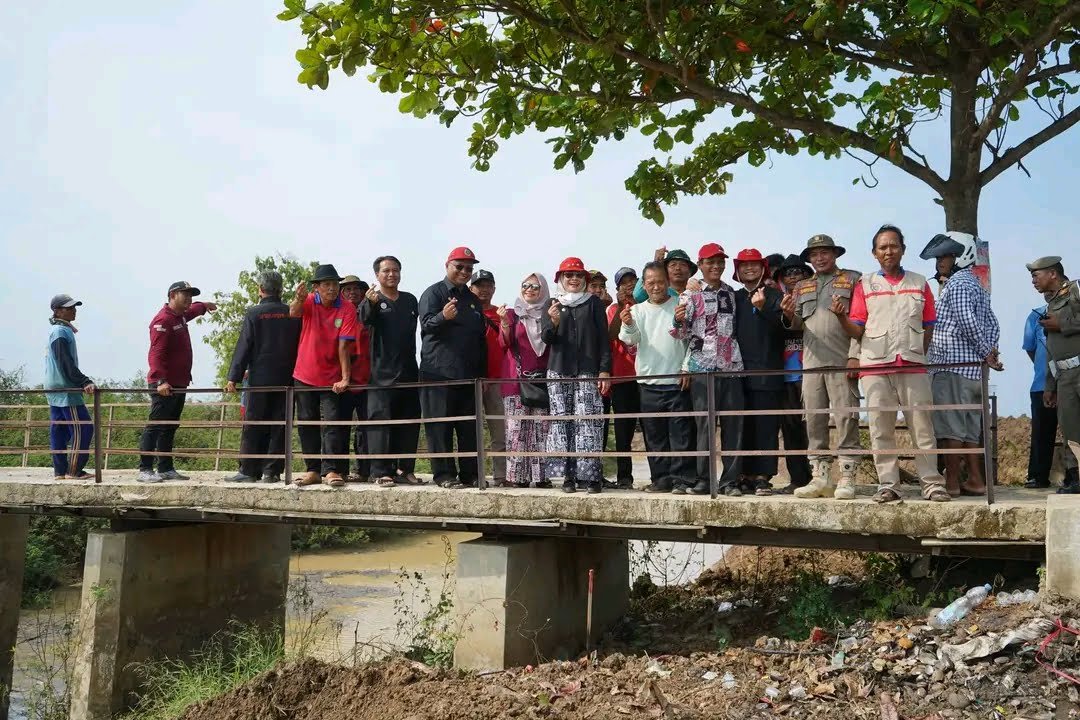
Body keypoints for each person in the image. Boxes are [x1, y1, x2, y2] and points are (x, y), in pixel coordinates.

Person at [833, 224, 950, 503]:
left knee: (922, 427)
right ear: (875, 254)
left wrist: (917, 354)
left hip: (912, 365)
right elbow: (857, 329)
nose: (888, 251)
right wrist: (840, 317)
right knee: (880, 428)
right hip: (875, 365)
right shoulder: (866, 285)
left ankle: (931, 484)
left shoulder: (920, 283)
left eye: (893, 245)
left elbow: (928, 326)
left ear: (903, 250)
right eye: (882, 247)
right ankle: (888, 484)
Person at [780, 235, 863, 501]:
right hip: (812, 363)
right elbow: (796, 325)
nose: (820, 258)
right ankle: (820, 478)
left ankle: (847, 477)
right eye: (815, 254)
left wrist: (855, 355)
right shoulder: (803, 285)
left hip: (842, 361)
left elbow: (863, 320)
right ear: (810, 259)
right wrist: (788, 313)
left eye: (825, 252)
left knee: (846, 418)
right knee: (813, 419)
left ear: (835, 254)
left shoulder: (853, 279)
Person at [922, 232, 1003, 497]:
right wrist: (987, 353)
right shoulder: (976, 284)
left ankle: (952, 484)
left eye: (945, 256)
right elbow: (992, 324)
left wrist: (986, 353)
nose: (939, 262)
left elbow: (967, 322)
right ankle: (977, 481)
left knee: (950, 428)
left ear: (961, 255)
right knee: (969, 430)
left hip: (952, 366)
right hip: (972, 370)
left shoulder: (956, 285)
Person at [672, 243, 745, 495]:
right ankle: (704, 479)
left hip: (731, 365)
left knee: (734, 424)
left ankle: (730, 481)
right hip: (701, 366)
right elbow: (680, 333)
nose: (716, 266)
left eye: (720, 262)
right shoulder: (690, 294)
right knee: (704, 425)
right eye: (710, 262)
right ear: (700, 265)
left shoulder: (732, 293)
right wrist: (678, 319)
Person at [618, 262, 693, 493]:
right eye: (650, 282)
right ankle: (661, 479)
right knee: (654, 435)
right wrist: (628, 323)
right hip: (649, 382)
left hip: (676, 380)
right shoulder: (637, 310)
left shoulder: (680, 306)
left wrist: (686, 367)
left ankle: (682, 480)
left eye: (660, 281)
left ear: (668, 282)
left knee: (681, 434)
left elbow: (692, 340)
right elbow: (630, 339)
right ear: (644, 285)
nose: (656, 286)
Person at [418, 246, 487, 488]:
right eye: (459, 266)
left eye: (469, 268)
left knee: (468, 426)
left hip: (468, 375)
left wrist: (483, 375)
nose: (464, 271)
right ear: (447, 266)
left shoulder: (472, 300)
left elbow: (480, 339)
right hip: (438, 373)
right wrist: (442, 317)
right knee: (440, 427)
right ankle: (444, 475)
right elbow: (426, 325)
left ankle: (470, 474)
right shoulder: (433, 293)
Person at [542, 257, 612, 493]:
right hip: (559, 372)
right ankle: (568, 478)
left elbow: (604, 339)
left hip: (587, 371)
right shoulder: (552, 303)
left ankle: (591, 477)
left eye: (578, 275)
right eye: (568, 275)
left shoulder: (593, 302)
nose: (573, 279)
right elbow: (547, 339)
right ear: (561, 278)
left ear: (585, 279)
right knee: (562, 424)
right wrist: (552, 322)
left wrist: (604, 369)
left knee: (588, 423)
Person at [224, 271, 301, 483]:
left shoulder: (254, 313)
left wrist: (234, 377)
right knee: (280, 423)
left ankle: (248, 470)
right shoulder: (292, 312)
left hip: (259, 379)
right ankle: (272, 472)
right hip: (288, 378)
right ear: (281, 289)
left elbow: (244, 346)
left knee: (254, 423)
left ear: (260, 289)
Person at [137, 281, 216, 483]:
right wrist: (161, 381)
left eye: (191, 295)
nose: (189, 299)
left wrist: (204, 305)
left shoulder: (179, 316)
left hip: (179, 383)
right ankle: (145, 469)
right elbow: (156, 354)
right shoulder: (163, 320)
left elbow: (192, 310)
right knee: (156, 425)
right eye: (185, 295)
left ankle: (165, 467)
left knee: (170, 425)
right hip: (164, 385)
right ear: (172, 295)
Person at [290, 264, 356, 488]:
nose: (332, 288)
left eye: (335, 284)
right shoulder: (309, 300)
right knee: (307, 423)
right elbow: (293, 313)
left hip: (332, 378)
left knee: (332, 423)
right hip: (305, 373)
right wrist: (298, 299)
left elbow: (344, 345)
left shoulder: (347, 308)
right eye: (327, 284)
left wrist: (345, 377)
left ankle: (331, 470)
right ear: (316, 287)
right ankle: (312, 470)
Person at [361, 255, 422, 486]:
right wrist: (370, 303)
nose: (391, 274)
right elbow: (364, 320)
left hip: (408, 370)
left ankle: (405, 469)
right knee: (380, 423)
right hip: (380, 374)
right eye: (386, 271)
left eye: (395, 270)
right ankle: (380, 471)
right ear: (377, 274)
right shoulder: (373, 300)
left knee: (409, 422)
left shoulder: (409, 300)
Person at [732, 249, 786, 496]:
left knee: (766, 425)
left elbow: (784, 329)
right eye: (744, 265)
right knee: (742, 426)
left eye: (754, 265)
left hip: (767, 370)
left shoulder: (775, 295)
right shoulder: (732, 298)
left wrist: (764, 308)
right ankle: (742, 474)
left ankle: (763, 476)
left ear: (763, 268)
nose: (749, 269)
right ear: (738, 270)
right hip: (737, 372)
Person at [1029, 255, 1080, 494]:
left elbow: (1067, 325)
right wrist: (1050, 385)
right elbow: (1051, 349)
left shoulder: (1076, 291)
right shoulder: (1051, 303)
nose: (1033, 280)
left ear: (1053, 274)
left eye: (1036, 275)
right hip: (1064, 376)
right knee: (1070, 429)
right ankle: (1075, 478)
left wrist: (1062, 322)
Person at [497, 273, 551, 488]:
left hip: (542, 381)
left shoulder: (549, 313)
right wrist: (504, 323)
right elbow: (504, 343)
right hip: (515, 380)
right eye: (525, 285)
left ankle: (539, 477)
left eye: (535, 286)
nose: (530, 289)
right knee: (516, 431)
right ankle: (516, 477)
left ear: (543, 290)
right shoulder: (512, 314)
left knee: (541, 431)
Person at [773, 255, 813, 492]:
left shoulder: (815, 299)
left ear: (807, 275)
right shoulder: (776, 301)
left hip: (811, 372)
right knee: (791, 430)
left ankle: (820, 477)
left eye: (799, 272)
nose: (794, 277)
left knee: (815, 430)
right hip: (785, 376)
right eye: (788, 274)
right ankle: (798, 479)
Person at [44, 294, 95, 480]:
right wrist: (84, 381)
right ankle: (74, 470)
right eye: (68, 308)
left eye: (74, 307)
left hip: (54, 387)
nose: (73, 310)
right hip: (65, 388)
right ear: (57, 311)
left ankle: (59, 472)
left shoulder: (58, 330)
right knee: (84, 428)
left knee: (59, 429)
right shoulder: (60, 332)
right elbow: (65, 362)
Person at [605, 266, 641, 488]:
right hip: (622, 377)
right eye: (624, 282)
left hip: (646, 376)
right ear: (617, 288)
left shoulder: (645, 305)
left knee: (652, 429)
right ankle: (624, 477)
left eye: (633, 281)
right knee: (623, 432)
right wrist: (620, 306)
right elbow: (610, 334)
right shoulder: (612, 309)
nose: (629, 285)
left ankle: (660, 476)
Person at [470, 269, 507, 485]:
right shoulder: (465, 312)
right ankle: (474, 475)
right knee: (470, 432)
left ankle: (501, 475)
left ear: (493, 288)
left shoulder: (503, 313)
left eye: (488, 285)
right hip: (473, 380)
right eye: (479, 285)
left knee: (500, 431)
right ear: (471, 288)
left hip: (498, 380)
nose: (483, 290)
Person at [1023, 290, 1059, 489]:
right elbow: (1030, 348)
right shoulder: (1035, 316)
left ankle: (1073, 477)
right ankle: (1037, 476)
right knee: (1041, 433)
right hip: (1041, 385)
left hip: (1070, 383)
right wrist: (1043, 371)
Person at [339, 276, 373, 483]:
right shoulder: (338, 313)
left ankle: (364, 469)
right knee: (339, 426)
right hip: (342, 379)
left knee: (366, 428)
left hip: (367, 377)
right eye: (348, 289)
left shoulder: (369, 313)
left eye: (357, 289)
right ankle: (339, 470)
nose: (353, 292)